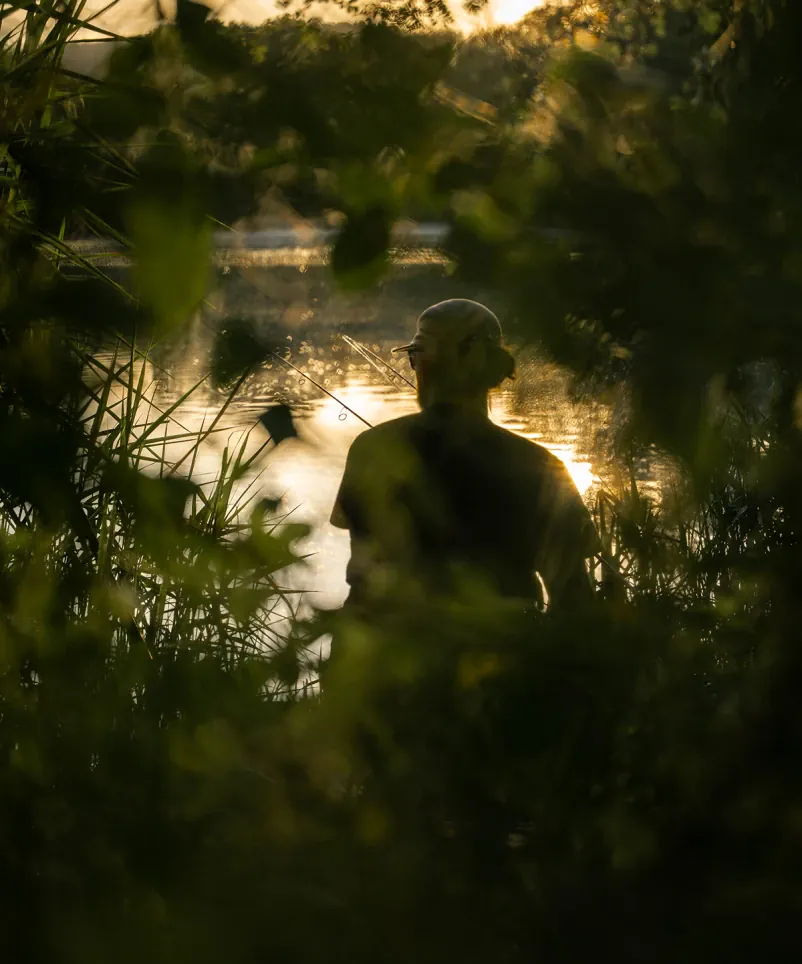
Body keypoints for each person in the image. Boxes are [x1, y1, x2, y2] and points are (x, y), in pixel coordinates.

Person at [330, 299, 600, 613]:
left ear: (427, 363)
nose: (414, 366)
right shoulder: (541, 465)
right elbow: (574, 600)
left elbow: (364, 571)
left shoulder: (373, 448)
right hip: (502, 650)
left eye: (415, 355)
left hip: (388, 651)